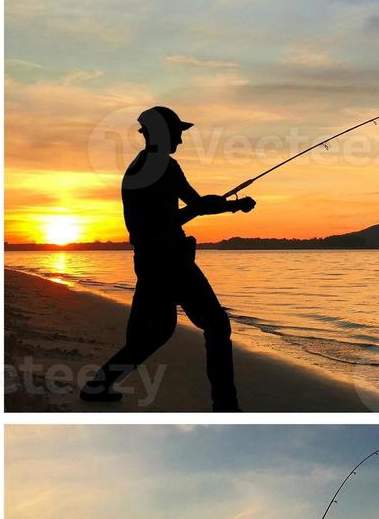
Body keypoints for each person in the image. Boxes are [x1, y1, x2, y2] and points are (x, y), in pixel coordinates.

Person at [80, 106, 255, 410]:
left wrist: (218, 206)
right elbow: (187, 210)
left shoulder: (137, 168)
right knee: (216, 325)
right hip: (171, 262)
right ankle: (226, 406)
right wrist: (227, 207)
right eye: (177, 133)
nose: (181, 140)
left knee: (151, 337)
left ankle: (98, 386)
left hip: (149, 262)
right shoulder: (164, 165)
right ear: (161, 133)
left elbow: (169, 217)